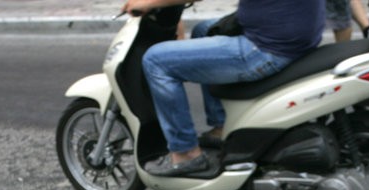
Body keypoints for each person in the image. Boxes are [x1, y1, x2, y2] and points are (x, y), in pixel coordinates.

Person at [120, 0, 325, 177]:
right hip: (290, 35)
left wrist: (147, 3)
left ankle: (185, 153)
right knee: (203, 30)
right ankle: (221, 127)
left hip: (265, 49)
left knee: (156, 61)